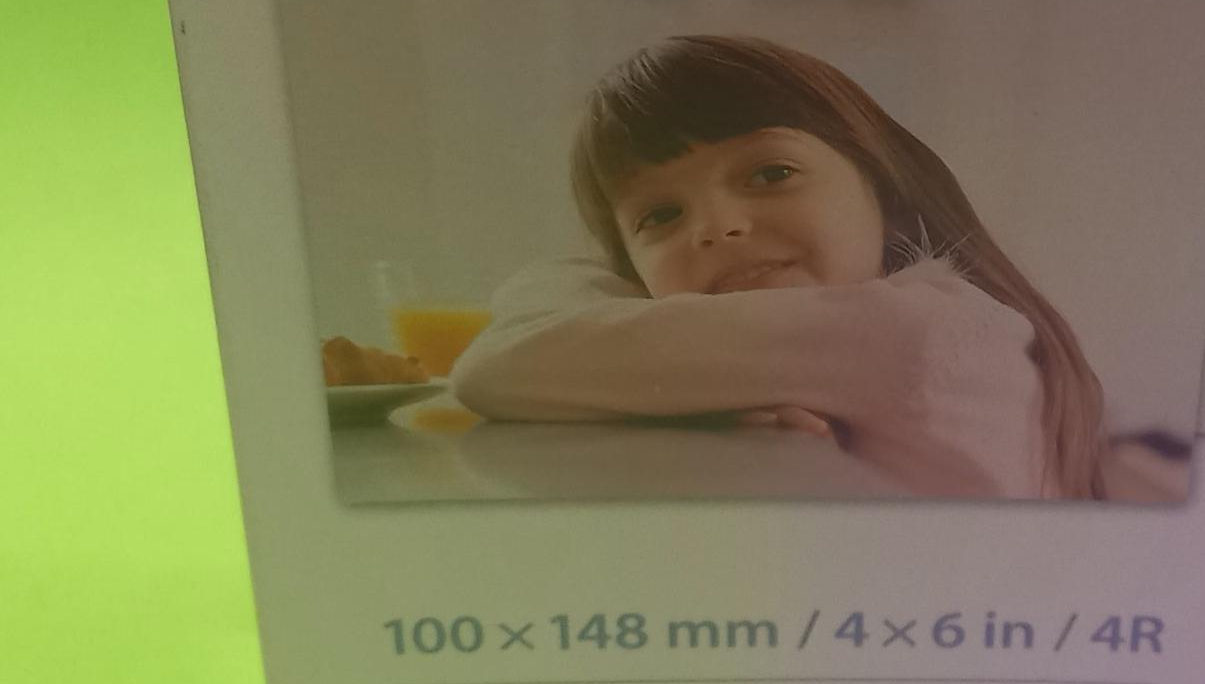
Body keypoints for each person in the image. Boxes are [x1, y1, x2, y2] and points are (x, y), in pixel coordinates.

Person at [449, 34, 1110, 500]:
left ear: (886, 194)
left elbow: (495, 364)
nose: (716, 227)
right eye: (661, 215)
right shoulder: (820, 342)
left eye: (771, 174)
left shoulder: (920, 331)